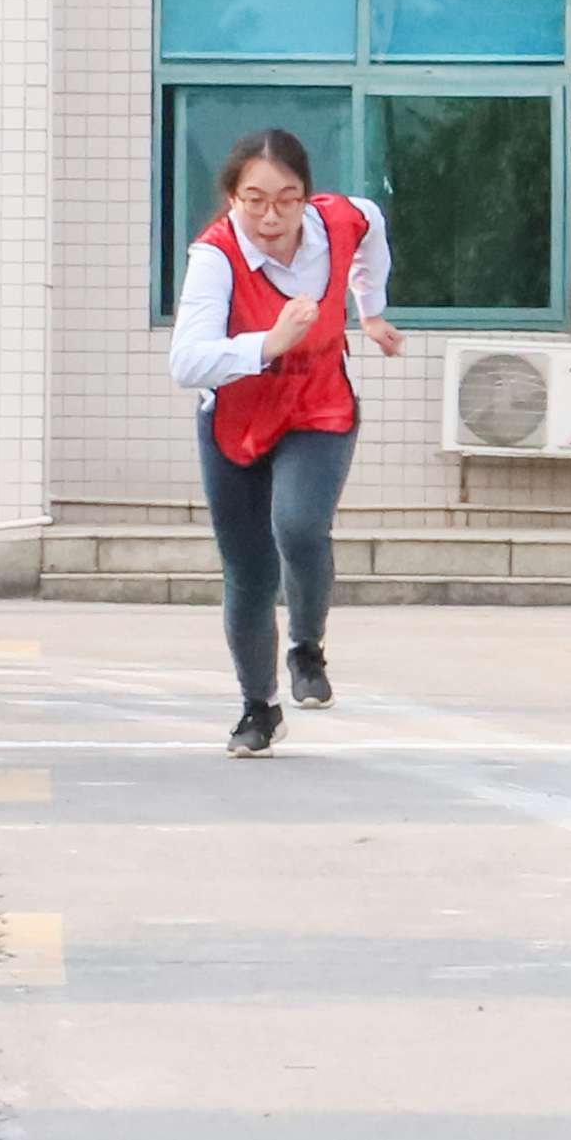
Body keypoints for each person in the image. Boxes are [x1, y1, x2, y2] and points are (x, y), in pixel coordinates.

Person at [168, 128, 394, 756]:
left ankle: (306, 646)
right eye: (255, 201)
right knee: (249, 570)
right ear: (232, 199)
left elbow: (374, 228)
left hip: (319, 406)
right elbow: (186, 362)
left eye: (287, 200)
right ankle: (259, 706)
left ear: (307, 197)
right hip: (236, 419)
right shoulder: (215, 256)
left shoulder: (340, 221)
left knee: (298, 526)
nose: (271, 217)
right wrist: (267, 344)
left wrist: (370, 307)